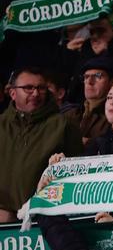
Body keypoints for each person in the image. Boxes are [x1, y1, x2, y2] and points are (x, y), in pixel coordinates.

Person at [0, 69, 83, 222]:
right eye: (28, 88)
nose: (36, 93)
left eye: (41, 88)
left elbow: (77, 171)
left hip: (45, 216)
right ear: (12, 93)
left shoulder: (64, 125)